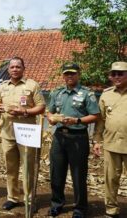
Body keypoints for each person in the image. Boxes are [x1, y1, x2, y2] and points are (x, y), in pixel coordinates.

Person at [0, 57, 45, 211]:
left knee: (28, 168)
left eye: (18, 67)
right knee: (11, 167)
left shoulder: (32, 85)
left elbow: (41, 107)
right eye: (12, 67)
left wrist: (25, 111)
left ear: (23, 68)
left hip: (27, 133)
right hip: (7, 133)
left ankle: (29, 200)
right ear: (8, 70)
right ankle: (13, 198)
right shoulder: (3, 87)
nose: (15, 69)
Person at [47, 63, 100, 218]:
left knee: (78, 175)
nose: (69, 76)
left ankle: (80, 208)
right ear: (63, 75)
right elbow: (49, 112)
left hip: (78, 138)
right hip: (59, 137)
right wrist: (51, 118)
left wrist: (77, 120)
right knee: (56, 173)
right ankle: (56, 204)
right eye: (66, 74)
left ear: (78, 74)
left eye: (72, 73)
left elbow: (95, 116)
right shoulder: (57, 93)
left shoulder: (86, 94)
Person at [93, 61, 127, 218]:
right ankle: (111, 210)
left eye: (121, 73)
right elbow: (100, 121)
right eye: (114, 74)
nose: (117, 77)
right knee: (110, 179)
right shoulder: (106, 95)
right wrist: (97, 141)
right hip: (111, 144)